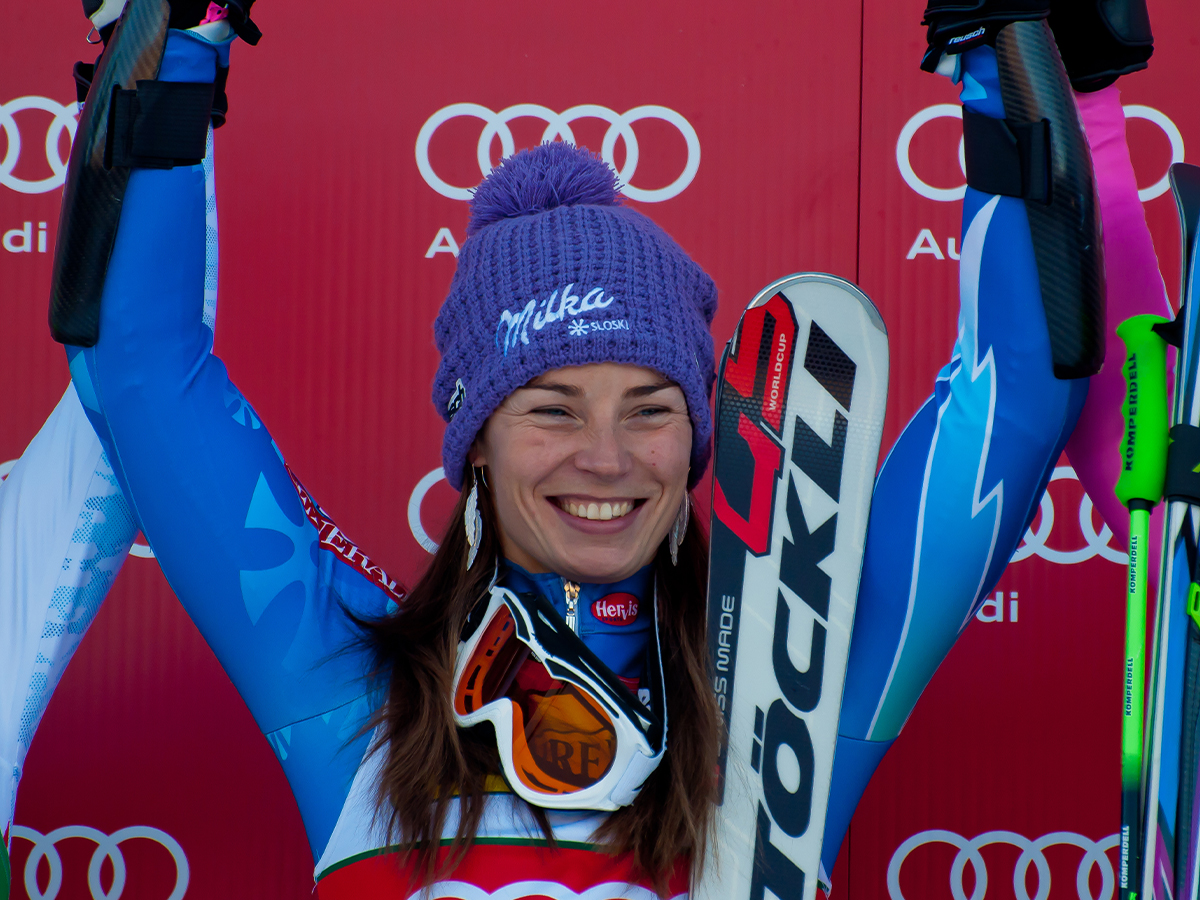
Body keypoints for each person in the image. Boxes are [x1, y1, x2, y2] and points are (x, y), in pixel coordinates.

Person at [42, 0, 1144, 897]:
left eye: (651, 408)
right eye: (553, 409)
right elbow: (139, 370)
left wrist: (1010, 60)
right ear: (476, 441)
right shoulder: (356, 700)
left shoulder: (792, 693)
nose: (608, 458)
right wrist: (176, 42)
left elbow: (1015, 395)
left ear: (701, 434)